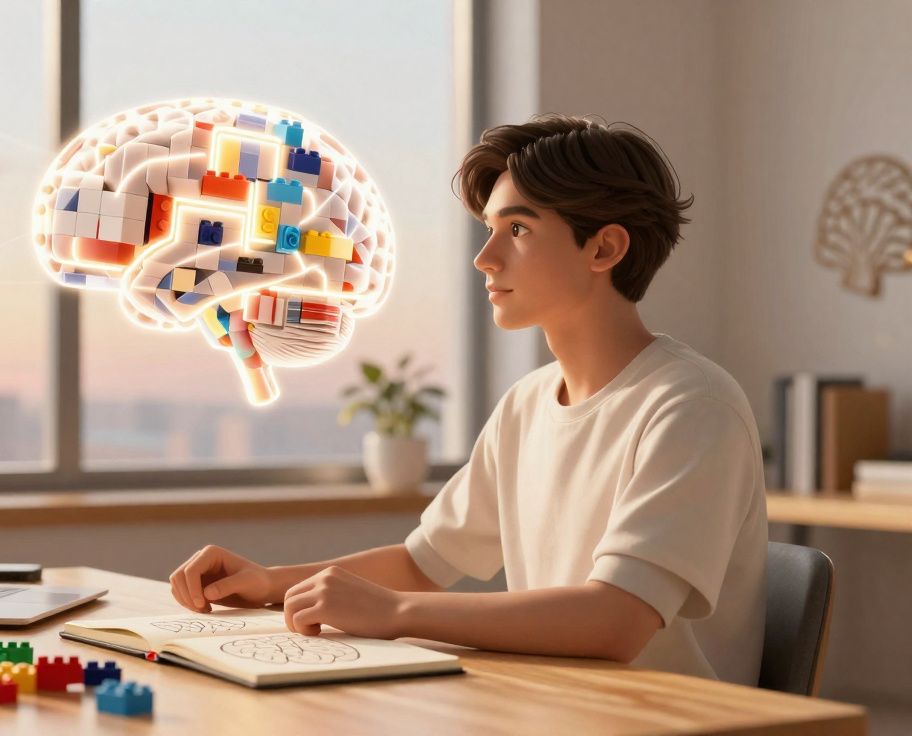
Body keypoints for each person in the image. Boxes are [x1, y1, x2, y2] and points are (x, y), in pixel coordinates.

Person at [169, 114, 768, 685]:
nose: (485, 258)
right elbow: (422, 563)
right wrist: (269, 582)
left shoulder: (692, 406)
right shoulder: (528, 404)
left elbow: (617, 621)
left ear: (604, 250)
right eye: (490, 230)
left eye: (518, 229)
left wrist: (397, 613)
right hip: (554, 711)